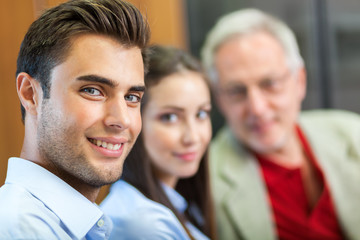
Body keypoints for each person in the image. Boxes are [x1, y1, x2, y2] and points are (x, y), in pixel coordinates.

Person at [201, 8, 360, 240]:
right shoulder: (207, 183)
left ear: (300, 81)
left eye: (270, 83)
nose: (257, 108)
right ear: (219, 100)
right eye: (236, 91)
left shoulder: (352, 134)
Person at [0, 0, 150, 239]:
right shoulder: (21, 229)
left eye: (132, 97)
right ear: (30, 93)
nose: (122, 120)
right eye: (92, 90)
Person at [101, 45, 217, 240]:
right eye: (170, 117)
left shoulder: (182, 204)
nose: (193, 137)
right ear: (134, 120)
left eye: (201, 114)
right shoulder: (143, 224)